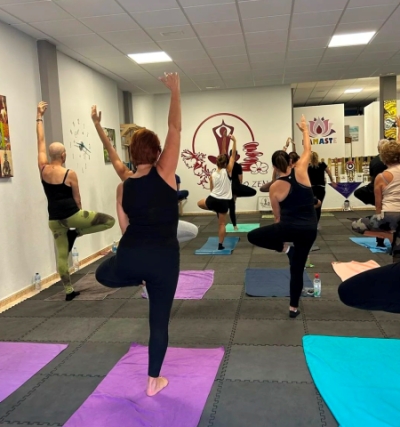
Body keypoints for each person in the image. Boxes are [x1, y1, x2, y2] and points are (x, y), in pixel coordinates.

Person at [95, 73, 181, 397]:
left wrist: (98, 127)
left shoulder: (124, 182)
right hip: (164, 261)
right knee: (158, 323)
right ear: (157, 152)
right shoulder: (166, 173)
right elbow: (175, 129)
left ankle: (136, 278)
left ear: (133, 153)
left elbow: (124, 222)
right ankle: (153, 382)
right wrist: (175, 90)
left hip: (131, 256)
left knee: (102, 273)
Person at [36, 102, 115, 301]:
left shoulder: (43, 169)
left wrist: (39, 117)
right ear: (64, 155)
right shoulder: (70, 173)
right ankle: (77, 233)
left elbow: (40, 141)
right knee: (109, 221)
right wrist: (79, 221)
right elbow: (77, 199)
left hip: (54, 220)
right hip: (73, 216)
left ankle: (69, 291)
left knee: (62, 256)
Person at [92, 109, 198, 244]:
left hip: (140, 236)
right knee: (192, 230)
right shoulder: (163, 174)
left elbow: (111, 150)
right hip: (162, 232)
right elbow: (175, 128)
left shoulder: (128, 179)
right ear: (157, 153)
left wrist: (97, 124)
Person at [247, 115, 317, 318]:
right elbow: (307, 149)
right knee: (298, 268)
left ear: (275, 167)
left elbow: (277, 218)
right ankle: (293, 308)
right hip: (310, 229)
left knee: (253, 236)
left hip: (288, 228)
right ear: (290, 162)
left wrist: (281, 241)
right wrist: (304, 129)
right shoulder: (302, 170)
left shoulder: (275, 187)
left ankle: (286, 249)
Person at [352, 140, 400, 262]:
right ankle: (394, 238)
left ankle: (389, 235)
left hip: (390, 216)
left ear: (383, 157)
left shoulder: (381, 177)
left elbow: (378, 205)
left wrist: (382, 222)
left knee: (357, 225)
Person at [197, 135, 237, 250]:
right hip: (223, 203)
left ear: (216, 163)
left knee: (199, 203)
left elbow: (211, 190)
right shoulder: (228, 171)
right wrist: (234, 141)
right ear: (226, 164)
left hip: (212, 199)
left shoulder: (213, 175)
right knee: (222, 224)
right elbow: (233, 156)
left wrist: (224, 140)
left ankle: (215, 209)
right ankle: (220, 245)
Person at [354, 139, 389, 247]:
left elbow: (372, 178)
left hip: (378, 191)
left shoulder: (374, 161)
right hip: (388, 192)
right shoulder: (391, 162)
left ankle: (380, 241)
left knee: (380, 215)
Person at [227, 150, 257, 231]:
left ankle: (234, 226)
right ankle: (234, 195)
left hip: (230, 189)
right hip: (235, 187)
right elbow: (240, 180)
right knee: (253, 192)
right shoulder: (237, 166)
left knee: (232, 207)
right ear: (236, 156)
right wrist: (238, 190)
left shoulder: (226, 166)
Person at [308, 151, 336, 227]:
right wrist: (332, 180)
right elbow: (329, 172)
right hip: (321, 188)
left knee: (311, 205)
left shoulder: (308, 166)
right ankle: (316, 223)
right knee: (318, 206)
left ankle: (311, 222)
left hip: (311, 188)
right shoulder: (322, 164)